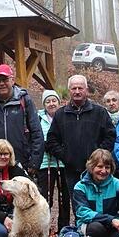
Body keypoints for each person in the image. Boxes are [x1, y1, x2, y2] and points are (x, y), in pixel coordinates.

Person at [45, 74, 116, 229]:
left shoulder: (100, 112)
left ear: (86, 90)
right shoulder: (61, 114)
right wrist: (66, 156)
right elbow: (51, 140)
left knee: (100, 204)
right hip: (72, 170)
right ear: (69, 90)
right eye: (74, 88)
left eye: (80, 88)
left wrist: (99, 157)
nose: (77, 91)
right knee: (79, 207)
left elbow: (110, 136)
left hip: (97, 171)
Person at [0, 64, 43, 174]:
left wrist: (35, 162)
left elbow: (37, 132)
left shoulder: (24, 100)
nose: (1, 83)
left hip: (22, 161)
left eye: (5, 79)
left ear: (12, 80)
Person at [37, 90, 66, 225]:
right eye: (48, 101)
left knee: (64, 198)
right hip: (45, 162)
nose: (51, 104)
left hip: (63, 162)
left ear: (58, 102)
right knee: (45, 197)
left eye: (54, 100)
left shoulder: (65, 116)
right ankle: (44, 228)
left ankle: (63, 228)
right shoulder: (38, 118)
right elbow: (35, 137)